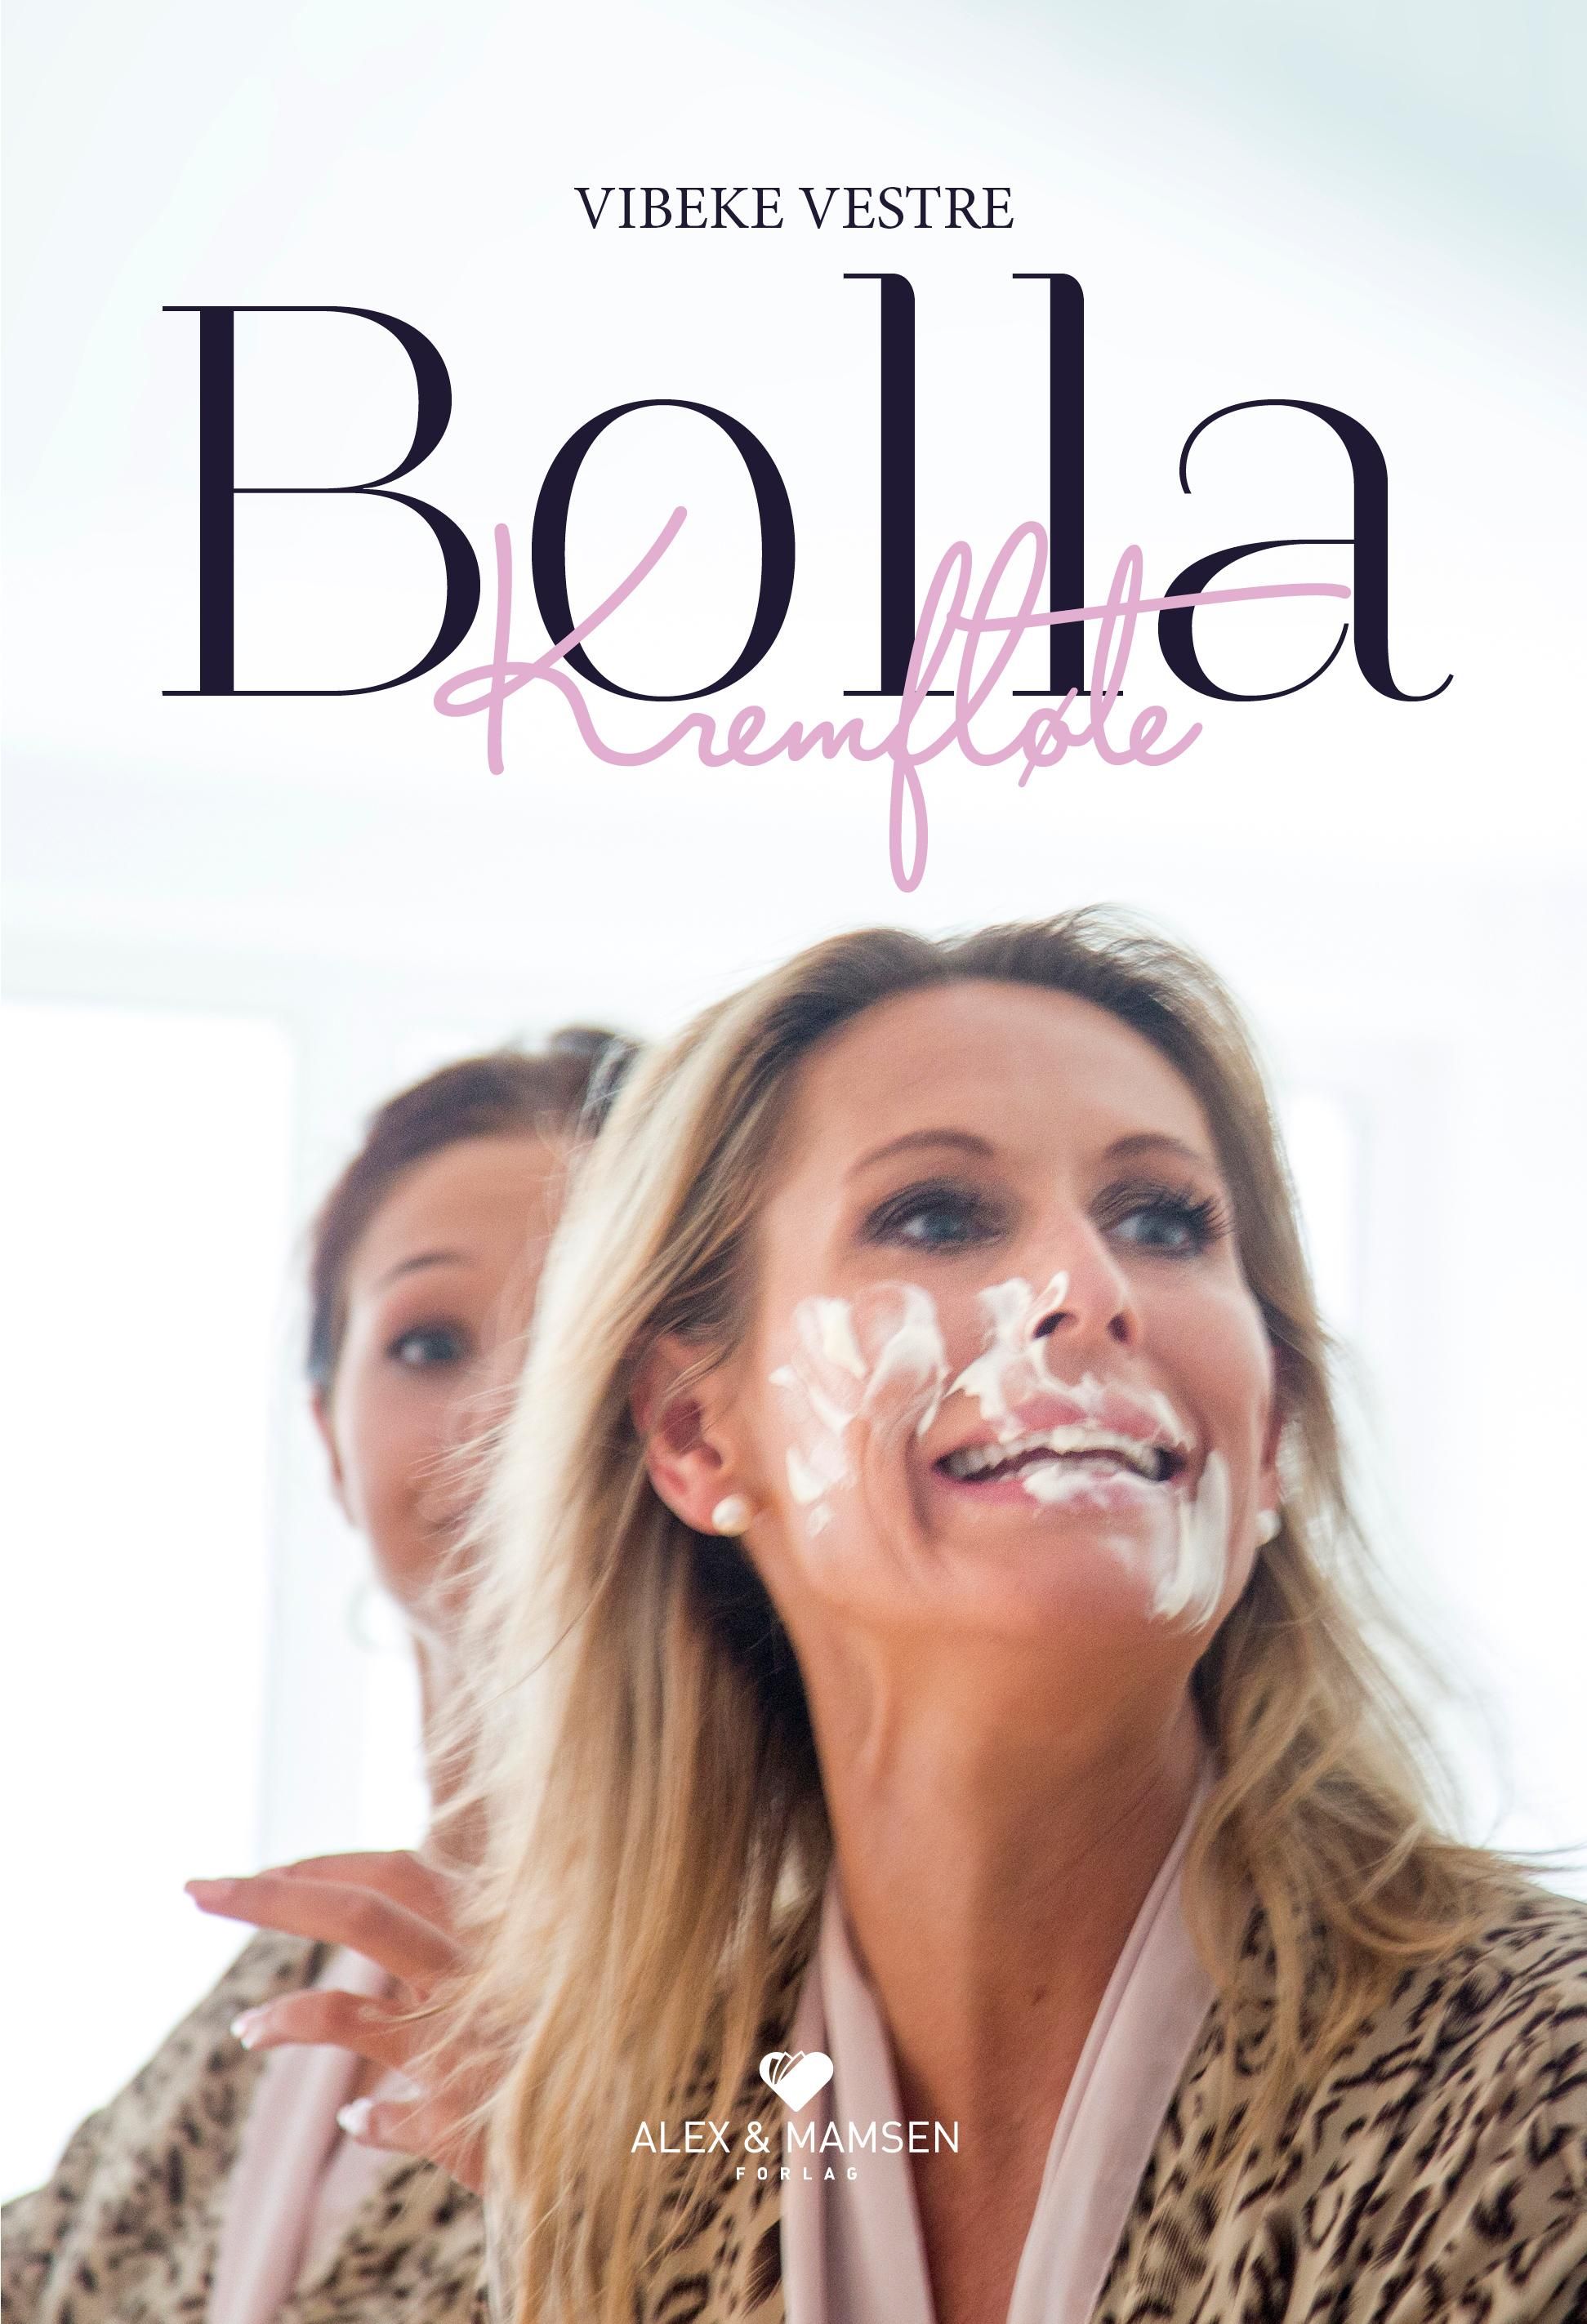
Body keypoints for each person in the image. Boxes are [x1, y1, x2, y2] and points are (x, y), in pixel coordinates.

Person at [163, 915, 1587, 2324]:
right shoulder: (650, 2146)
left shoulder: (1541, 2086)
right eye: (939, 1215)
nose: (1091, 1290)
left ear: (1269, 1432)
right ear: (694, 1433)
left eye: (1164, 1220)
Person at [1, 1027, 635, 2324]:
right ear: (329, 1441)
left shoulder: (817, 1994)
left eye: (588, 1329)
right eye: (430, 1342)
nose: (510, 1408)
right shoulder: (281, 1989)